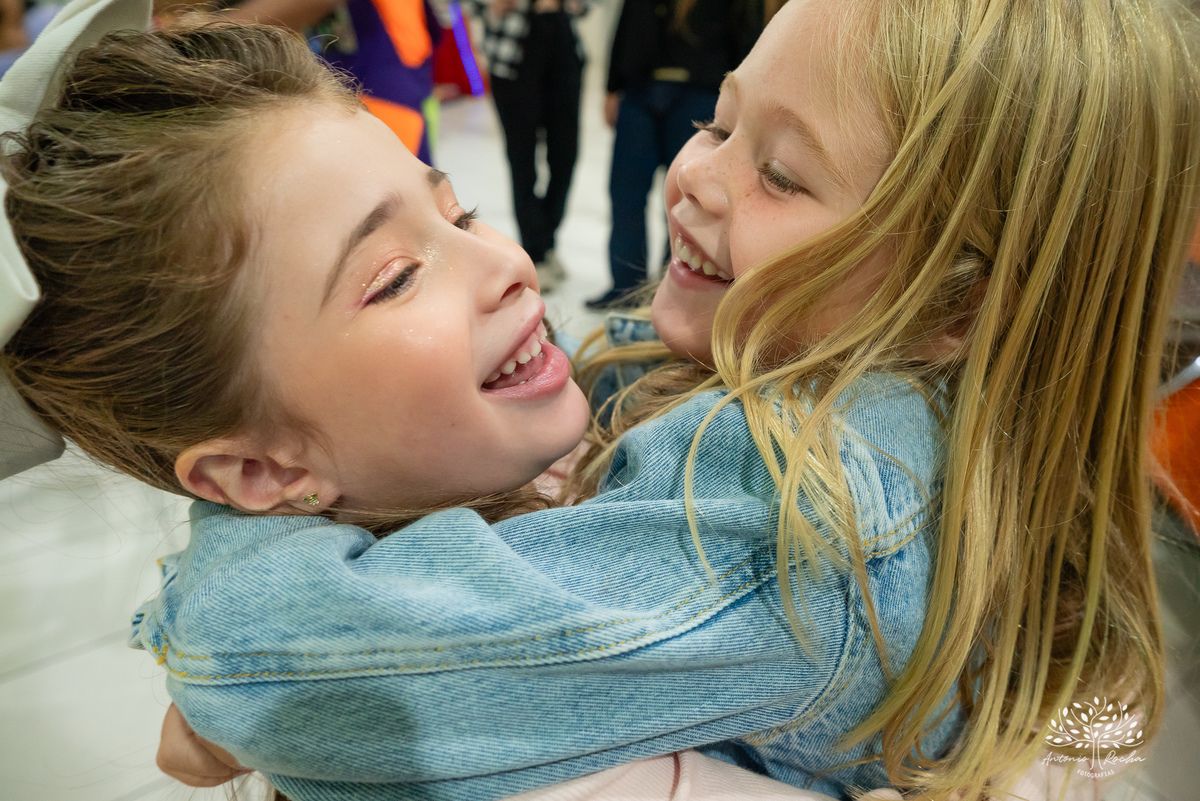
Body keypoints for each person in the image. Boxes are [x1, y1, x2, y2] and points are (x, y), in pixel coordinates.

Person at [4, 1, 1198, 801]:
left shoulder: (802, 501)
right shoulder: (810, 395)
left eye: (780, 171)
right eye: (721, 124)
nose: (694, 174)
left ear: (957, 304)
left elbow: (318, 677)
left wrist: (217, 657)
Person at [586, 0, 767, 309]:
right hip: (641, 91)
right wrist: (613, 87)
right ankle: (625, 288)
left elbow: (747, 43)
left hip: (700, 93)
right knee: (626, 193)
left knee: (685, 198)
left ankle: (667, 287)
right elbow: (628, 22)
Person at [461, 0, 586, 291]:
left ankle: (547, 241)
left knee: (565, 156)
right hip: (512, 55)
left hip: (564, 47)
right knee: (522, 160)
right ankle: (536, 250)